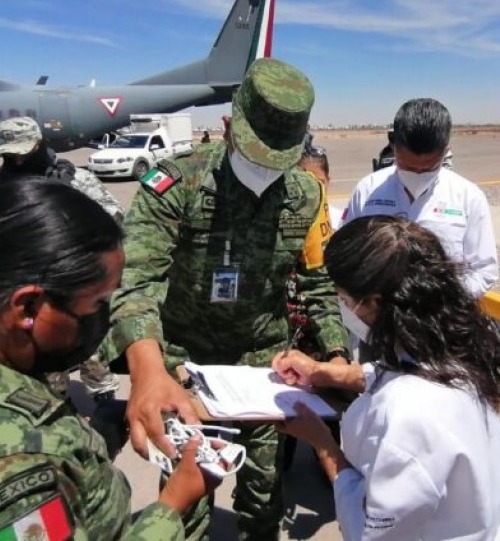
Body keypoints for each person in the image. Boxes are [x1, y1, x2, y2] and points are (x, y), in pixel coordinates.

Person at [105, 57, 349, 540]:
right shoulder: (175, 185)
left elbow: (317, 283)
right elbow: (134, 282)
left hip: (263, 370)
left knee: (263, 496)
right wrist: (148, 371)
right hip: (184, 369)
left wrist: (336, 354)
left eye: (278, 158)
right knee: (186, 501)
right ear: (228, 126)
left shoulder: (305, 195)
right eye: (257, 153)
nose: (265, 170)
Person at [0, 178, 217, 539]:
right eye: (96, 304)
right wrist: (173, 504)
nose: (101, 320)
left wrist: (90, 444)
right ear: (28, 307)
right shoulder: (19, 472)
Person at [273, 215, 500, 540]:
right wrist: (322, 371)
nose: (344, 307)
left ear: (373, 302)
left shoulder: (406, 415)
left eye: (344, 299)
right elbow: (394, 372)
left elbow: (367, 531)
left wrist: (323, 443)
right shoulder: (456, 353)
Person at [0, 116, 122, 401]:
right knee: (44, 364)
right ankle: (58, 414)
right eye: (10, 156)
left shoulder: (75, 180)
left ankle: (107, 407)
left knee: (94, 353)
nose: (16, 162)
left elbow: (113, 219)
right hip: (25, 295)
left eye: (23, 154)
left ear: (40, 144)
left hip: (78, 286)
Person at [343, 98, 498, 298]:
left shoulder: (469, 197)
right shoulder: (367, 190)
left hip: (439, 318)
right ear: (393, 146)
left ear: (446, 151)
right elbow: (348, 254)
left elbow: (484, 270)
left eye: (428, 168)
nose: (417, 174)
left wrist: (444, 301)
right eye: (408, 167)